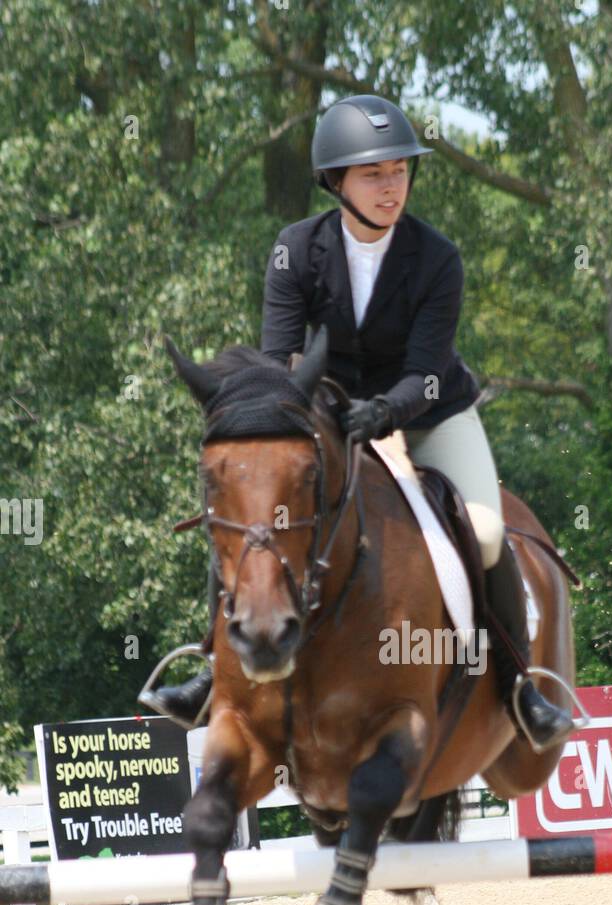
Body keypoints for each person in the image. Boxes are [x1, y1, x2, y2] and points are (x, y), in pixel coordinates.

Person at [148, 94, 573, 752]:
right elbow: (276, 364)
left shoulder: (437, 259)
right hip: (329, 419)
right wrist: (323, 418)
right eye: (374, 174)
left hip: (430, 412)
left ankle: (521, 684)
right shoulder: (295, 251)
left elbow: (428, 372)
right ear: (335, 182)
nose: (391, 186)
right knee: (253, 515)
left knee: (487, 532)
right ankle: (211, 670)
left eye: (400, 171)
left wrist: (386, 412)